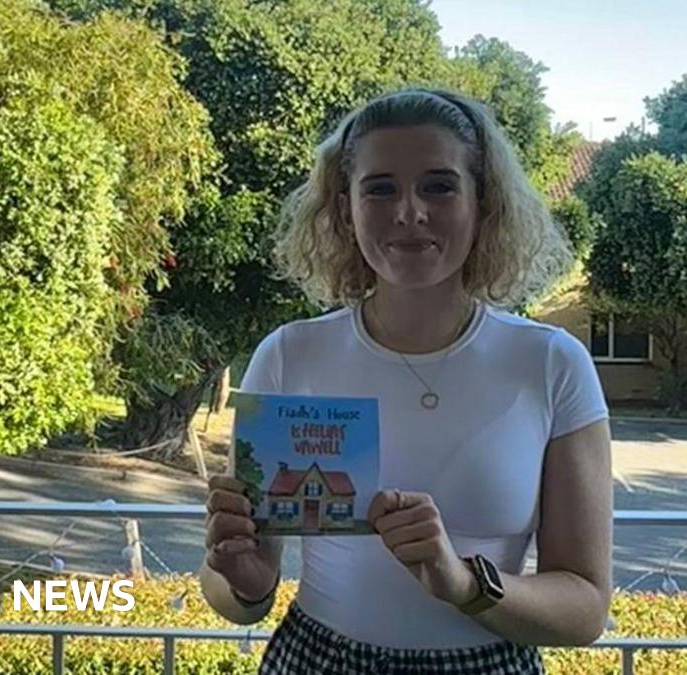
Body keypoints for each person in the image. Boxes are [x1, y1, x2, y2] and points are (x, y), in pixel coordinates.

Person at [198, 87, 613, 674]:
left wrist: (464, 583)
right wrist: (241, 582)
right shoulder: (290, 356)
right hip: (314, 661)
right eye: (381, 188)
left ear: (483, 203)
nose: (409, 211)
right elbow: (237, 591)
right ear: (345, 209)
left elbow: (586, 609)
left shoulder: (551, 364)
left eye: (439, 185)